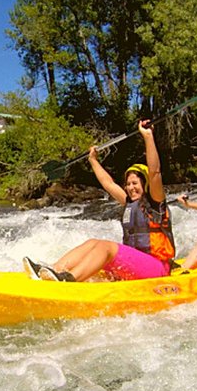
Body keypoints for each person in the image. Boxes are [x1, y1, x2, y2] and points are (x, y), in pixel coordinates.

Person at [23, 120, 175, 282]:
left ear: (145, 184)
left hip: (158, 268)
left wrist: (148, 137)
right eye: (128, 184)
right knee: (93, 243)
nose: (131, 188)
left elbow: (155, 172)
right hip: (136, 265)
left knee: (106, 247)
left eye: (135, 184)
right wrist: (93, 160)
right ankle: (53, 270)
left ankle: (69, 279)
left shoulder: (155, 202)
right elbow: (108, 183)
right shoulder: (129, 203)